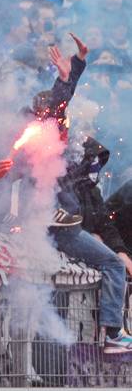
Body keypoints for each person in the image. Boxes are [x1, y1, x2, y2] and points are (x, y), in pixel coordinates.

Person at [52, 137, 132, 353]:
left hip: (77, 237)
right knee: (114, 265)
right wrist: (90, 236)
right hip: (65, 238)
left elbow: (106, 224)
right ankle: (113, 333)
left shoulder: (93, 191)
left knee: (117, 261)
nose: (97, 168)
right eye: (93, 162)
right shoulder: (64, 184)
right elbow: (62, 220)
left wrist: (122, 251)